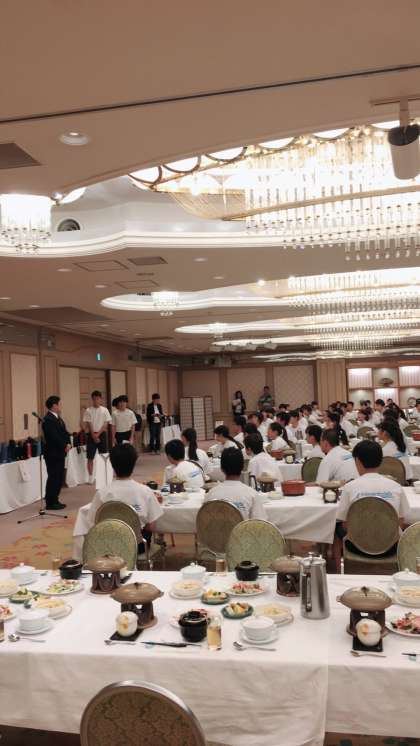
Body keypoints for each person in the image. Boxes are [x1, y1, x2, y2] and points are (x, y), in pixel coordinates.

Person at [333, 440, 410, 571]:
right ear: (380, 460)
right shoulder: (395, 486)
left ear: (357, 461)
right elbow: (401, 521)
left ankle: (339, 571)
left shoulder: (350, 487)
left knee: (335, 527)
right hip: (390, 547)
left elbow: (346, 524)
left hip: (357, 547)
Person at [85, 444, 163, 547]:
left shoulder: (102, 493)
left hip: (109, 546)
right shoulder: (146, 491)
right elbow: (152, 526)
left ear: (111, 464)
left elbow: (93, 523)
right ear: (134, 464)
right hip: (138, 546)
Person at [204, 448, 267, 520]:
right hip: (243, 527)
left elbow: (204, 520)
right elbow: (260, 521)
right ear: (243, 467)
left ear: (221, 468)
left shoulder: (211, 494)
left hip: (217, 527)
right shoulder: (251, 494)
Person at [42, 395, 71, 510]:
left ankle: (55, 499)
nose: (60, 406)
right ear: (54, 405)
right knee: (53, 477)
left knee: (59, 477)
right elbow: (53, 437)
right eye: (59, 404)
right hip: (52, 453)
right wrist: (64, 445)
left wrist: (69, 443)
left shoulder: (58, 418)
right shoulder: (48, 419)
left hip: (60, 452)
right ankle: (50, 502)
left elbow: (64, 433)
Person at [83, 390, 112, 481]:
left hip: (102, 434)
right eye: (94, 399)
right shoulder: (88, 410)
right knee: (90, 457)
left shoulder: (105, 410)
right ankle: (90, 477)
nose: (96, 401)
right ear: (92, 399)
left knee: (103, 455)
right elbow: (89, 424)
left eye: (98, 399)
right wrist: (93, 435)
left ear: (101, 399)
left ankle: (103, 475)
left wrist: (98, 435)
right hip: (91, 434)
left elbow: (105, 424)